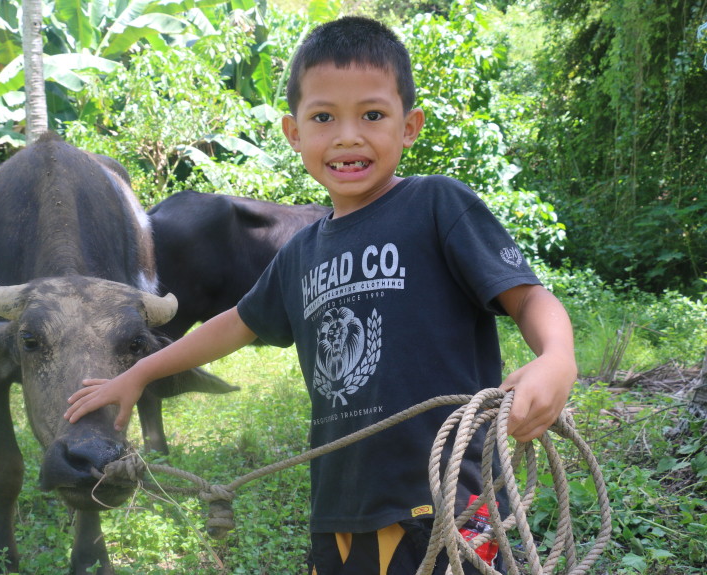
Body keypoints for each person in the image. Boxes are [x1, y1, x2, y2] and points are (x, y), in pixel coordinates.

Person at [65, 15, 577, 575]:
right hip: (339, 508)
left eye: (372, 115)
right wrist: (139, 373)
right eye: (324, 117)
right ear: (294, 133)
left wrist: (557, 357)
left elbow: (528, 298)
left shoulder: (437, 206)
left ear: (409, 126)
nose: (347, 136)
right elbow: (234, 323)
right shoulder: (300, 253)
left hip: (446, 501)